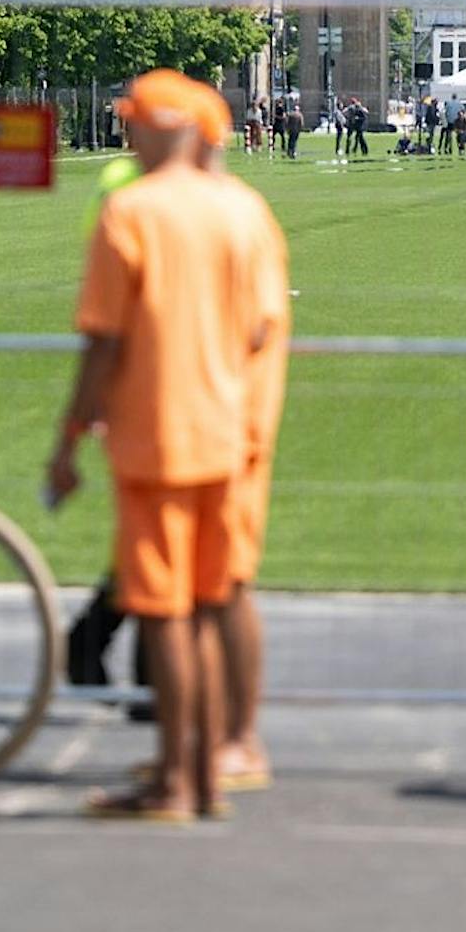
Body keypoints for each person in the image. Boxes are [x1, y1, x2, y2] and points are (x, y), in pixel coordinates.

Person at [49, 70, 265, 823]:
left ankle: (176, 782)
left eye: (133, 123)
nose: (126, 136)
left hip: (157, 434)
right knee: (209, 603)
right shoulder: (242, 210)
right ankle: (203, 775)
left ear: (159, 128)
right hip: (226, 429)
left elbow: (102, 341)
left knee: (166, 613)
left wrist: (68, 439)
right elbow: (259, 327)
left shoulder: (130, 212)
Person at [191, 85, 291, 794]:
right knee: (200, 591)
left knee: (215, 588)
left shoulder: (226, 215)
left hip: (216, 423)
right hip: (206, 420)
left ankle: (226, 744)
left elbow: (252, 325)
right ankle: (201, 747)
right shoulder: (229, 213)